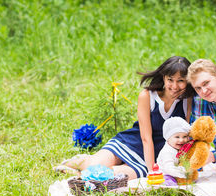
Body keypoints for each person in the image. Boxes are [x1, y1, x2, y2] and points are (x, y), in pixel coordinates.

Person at [56, 56, 194, 179]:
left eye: (181, 81)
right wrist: (153, 171)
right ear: (163, 77)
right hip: (132, 142)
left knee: (113, 176)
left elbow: (185, 137)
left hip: (156, 154)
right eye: (170, 80)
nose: (175, 86)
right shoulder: (147, 96)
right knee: (95, 165)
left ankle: (80, 175)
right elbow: (146, 138)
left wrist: (153, 168)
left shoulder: (187, 100)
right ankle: (83, 161)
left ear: (187, 81)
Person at [156, 117, 191, 182]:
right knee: (169, 182)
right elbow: (168, 168)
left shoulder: (179, 148)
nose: (181, 140)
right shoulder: (167, 152)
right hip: (165, 174)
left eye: (184, 136)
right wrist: (183, 173)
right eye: (177, 137)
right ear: (168, 138)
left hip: (176, 173)